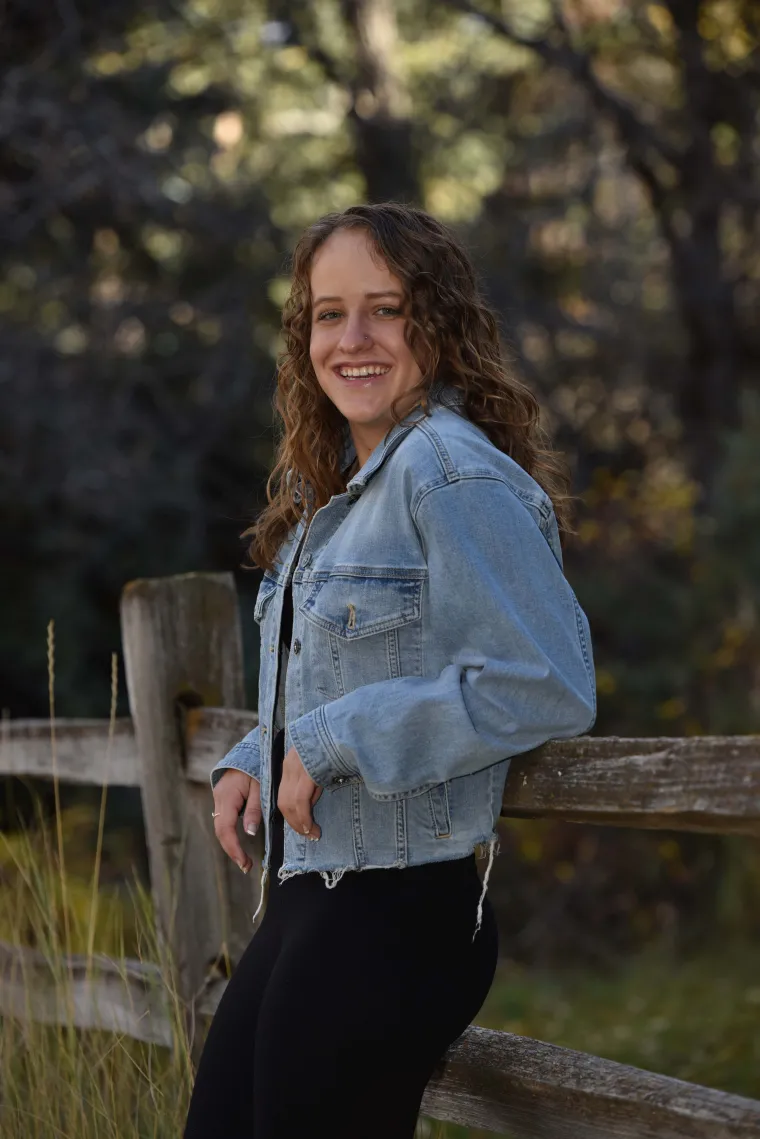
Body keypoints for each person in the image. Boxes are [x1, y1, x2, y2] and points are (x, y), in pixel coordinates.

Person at [183, 202, 596, 1139]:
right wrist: (266, 744)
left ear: (437, 323)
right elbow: (357, 663)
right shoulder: (336, 484)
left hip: (402, 909)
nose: (353, 338)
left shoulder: (451, 474)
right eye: (329, 313)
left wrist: (328, 738)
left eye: (386, 308)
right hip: (314, 892)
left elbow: (544, 680)